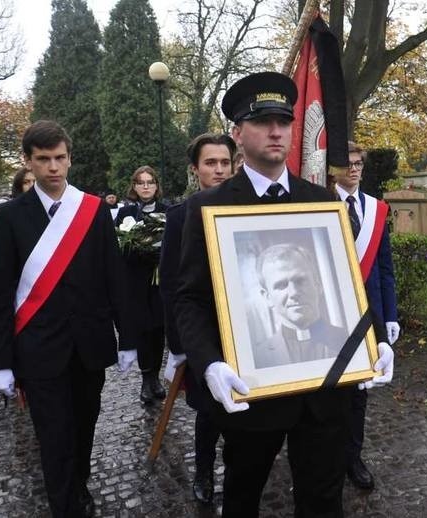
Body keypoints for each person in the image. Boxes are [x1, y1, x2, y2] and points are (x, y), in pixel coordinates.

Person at [173, 71, 394, 517]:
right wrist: (209, 362)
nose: (276, 131)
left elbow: (347, 285)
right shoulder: (205, 209)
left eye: (284, 121)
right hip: (252, 392)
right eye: (262, 122)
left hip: (324, 392)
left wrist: (375, 341)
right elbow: (190, 299)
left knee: (323, 502)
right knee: (242, 497)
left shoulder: (323, 202)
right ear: (237, 134)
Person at [0, 120, 135, 517]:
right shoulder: (11, 216)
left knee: (84, 427)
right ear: (28, 162)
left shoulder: (93, 210)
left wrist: (130, 337)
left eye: (60, 158)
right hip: (38, 349)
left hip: (90, 342)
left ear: (69, 158)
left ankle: (78, 485)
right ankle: (65, 506)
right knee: (54, 435)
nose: (53, 167)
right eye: (43, 159)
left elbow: (114, 277)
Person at [160, 132, 236, 505]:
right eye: (211, 163)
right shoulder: (180, 216)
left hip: (243, 330)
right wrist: (180, 346)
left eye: (225, 162)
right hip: (202, 335)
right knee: (208, 414)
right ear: (195, 169)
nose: (219, 170)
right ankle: (204, 472)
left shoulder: (245, 208)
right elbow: (172, 287)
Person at [331, 140, 400, 490]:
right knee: (327, 393)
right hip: (329, 317)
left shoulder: (376, 209)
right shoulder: (320, 204)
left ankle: (353, 458)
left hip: (370, 318)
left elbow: (385, 269)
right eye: (348, 163)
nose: (354, 169)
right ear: (334, 168)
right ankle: (323, 457)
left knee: (360, 392)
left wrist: (391, 315)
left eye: (359, 163)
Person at [115, 166, 169, 405]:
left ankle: (155, 377)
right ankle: (146, 380)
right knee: (144, 330)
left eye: (150, 182)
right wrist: (136, 249)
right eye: (141, 182)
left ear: (156, 186)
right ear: (134, 187)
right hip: (136, 281)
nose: (146, 186)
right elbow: (117, 243)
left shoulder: (167, 211)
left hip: (159, 280)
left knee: (158, 330)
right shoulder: (125, 213)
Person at [253, 244, 347, 368]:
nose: (293, 293)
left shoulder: (351, 341)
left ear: (318, 285)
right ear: (267, 297)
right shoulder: (258, 359)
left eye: (300, 281)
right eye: (281, 285)